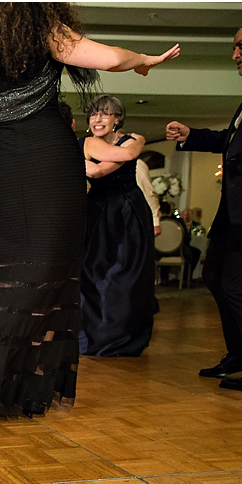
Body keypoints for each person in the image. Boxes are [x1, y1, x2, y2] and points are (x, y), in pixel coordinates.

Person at [0, 2, 179, 421]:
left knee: (7, 273)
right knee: (48, 272)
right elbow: (113, 58)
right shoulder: (42, 28)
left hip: (4, 162)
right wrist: (144, 60)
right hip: (47, 160)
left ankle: (4, 385)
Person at [166, 12, 242, 392]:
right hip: (233, 210)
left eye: (241, 46)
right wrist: (192, 135)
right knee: (213, 277)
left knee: (237, 285)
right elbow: (235, 140)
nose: (235, 55)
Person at [78, 95, 155, 357]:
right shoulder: (86, 142)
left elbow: (100, 170)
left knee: (126, 273)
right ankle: (93, 337)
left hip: (127, 211)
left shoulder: (133, 139)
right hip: (97, 211)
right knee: (92, 272)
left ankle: (123, 339)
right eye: (94, 115)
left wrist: (84, 162)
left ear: (117, 118)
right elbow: (98, 170)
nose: (98, 119)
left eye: (105, 114)